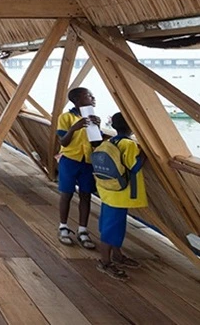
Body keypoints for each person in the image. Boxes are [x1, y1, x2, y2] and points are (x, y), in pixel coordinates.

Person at [96, 112, 147, 281]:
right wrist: (144, 155)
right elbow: (134, 166)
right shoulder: (129, 145)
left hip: (109, 192)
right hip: (121, 194)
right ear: (131, 126)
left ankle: (116, 255)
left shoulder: (110, 141)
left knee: (110, 226)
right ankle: (105, 262)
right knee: (112, 230)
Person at [56, 87, 100, 249]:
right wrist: (75, 128)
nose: (93, 97)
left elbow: (96, 143)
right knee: (66, 193)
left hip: (87, 161)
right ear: (77, 100)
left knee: (86, 195)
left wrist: (97, 127)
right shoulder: (66, 117)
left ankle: (83, 229)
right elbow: (63, 141)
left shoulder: (92, 117)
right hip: (70, 159)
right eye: (89, 95)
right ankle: (63, 227)